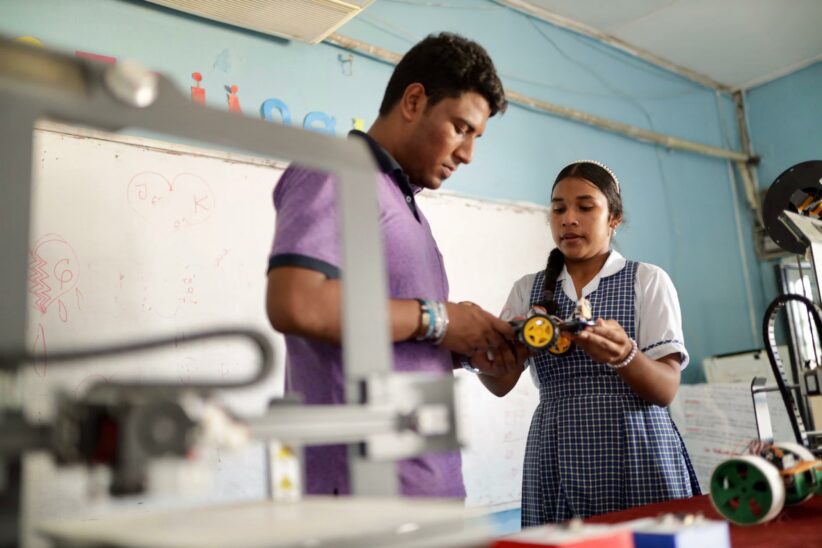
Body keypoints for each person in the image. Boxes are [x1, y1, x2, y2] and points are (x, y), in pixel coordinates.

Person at [265, 32, 527, 498]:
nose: (468, 154)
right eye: (461, 128)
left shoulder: (406, 209)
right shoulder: (337, 170)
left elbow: (398, 340)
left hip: (428, 492)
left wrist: (470, 348)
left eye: (476, 138)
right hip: (362, 501)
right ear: (413, 101)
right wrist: (440, 319)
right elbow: (297, 303)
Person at [469, 160, 700, 525]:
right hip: (556, 450)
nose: (569, 219)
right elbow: (499, 384)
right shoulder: (527, 290)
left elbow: (666, 389)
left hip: (637, 447)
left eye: (585, 207)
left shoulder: (646, 280)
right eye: (558, 209)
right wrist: (484, 348)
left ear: (614, 218)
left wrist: (624, 355)